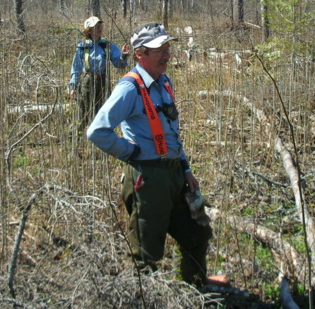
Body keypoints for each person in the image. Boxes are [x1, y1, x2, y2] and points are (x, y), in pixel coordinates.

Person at [87, 22, 223, 288]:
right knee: (146, 255)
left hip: (174, 176)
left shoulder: (164, 82)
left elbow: (172, 131)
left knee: (197, 234)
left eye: (167, 47)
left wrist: (185, 169)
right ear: (139, 54)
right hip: (147, 180)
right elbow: (97, 131)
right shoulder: (129, 88)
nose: (166, 54)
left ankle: (195, 292)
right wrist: (131, 152)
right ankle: (145, 298)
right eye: (158, 49)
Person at [69, 16, 130, 134]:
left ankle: (101, 144)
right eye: (96, 27)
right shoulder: (82, 47)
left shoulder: (107, 45)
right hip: (87, 83)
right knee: (83, 114)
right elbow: (76, 68)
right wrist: (73, 87)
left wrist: (123, 55)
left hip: (103, 83)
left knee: (104, 114)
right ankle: (74, 139)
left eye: (100, 26)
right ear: (89, 30)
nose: (99, 28)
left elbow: (119, 64)